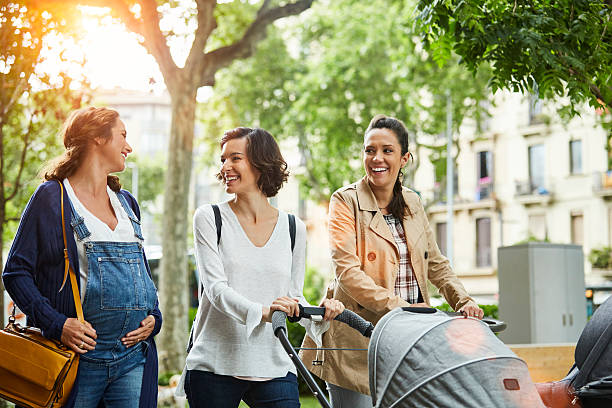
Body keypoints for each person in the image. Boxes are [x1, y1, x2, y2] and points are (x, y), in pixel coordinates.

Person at [300, 114, 483, 407]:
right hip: (357, 340)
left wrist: (464, 301)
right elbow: (348, 273)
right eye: (370, 150)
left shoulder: (412, 201)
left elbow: (434, 262)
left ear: (404, 158)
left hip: (409, 341)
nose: (377, 158)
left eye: (387, 150)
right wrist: (405, 310)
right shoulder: (345, 201)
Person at [2, 107, 162, 408]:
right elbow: (15, 272)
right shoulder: (53, 197)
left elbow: (142, 275)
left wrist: (155, 317)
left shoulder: (127, 202)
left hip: (132, 358)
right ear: (98, 138)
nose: (129, 147)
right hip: (77, 360)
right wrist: (57, 323)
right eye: (123, 136)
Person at [176, 127, 344, 408]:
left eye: (235, 158)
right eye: (223, 159)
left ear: (260, 163)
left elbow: (293, 297)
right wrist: (265, 312)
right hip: (215, 364)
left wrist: (321, 313)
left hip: (273, 364)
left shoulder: (293, 228)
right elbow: (216, 290)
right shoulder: (210, 218)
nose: (225, 167)